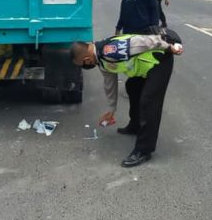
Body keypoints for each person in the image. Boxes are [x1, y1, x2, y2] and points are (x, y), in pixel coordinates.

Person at [70, 33, 184, 167]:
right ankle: (135, 125)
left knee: (149, 102)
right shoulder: (100, 59)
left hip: (159, 61)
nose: (85, 66)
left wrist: (168, 47)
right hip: (146, 67)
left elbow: (142, 42)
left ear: (87, 59)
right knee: (132, 86)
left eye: (82, 64)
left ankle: (144, 150)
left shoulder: (110, 50)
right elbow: (109, 82)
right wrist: (112, 109)